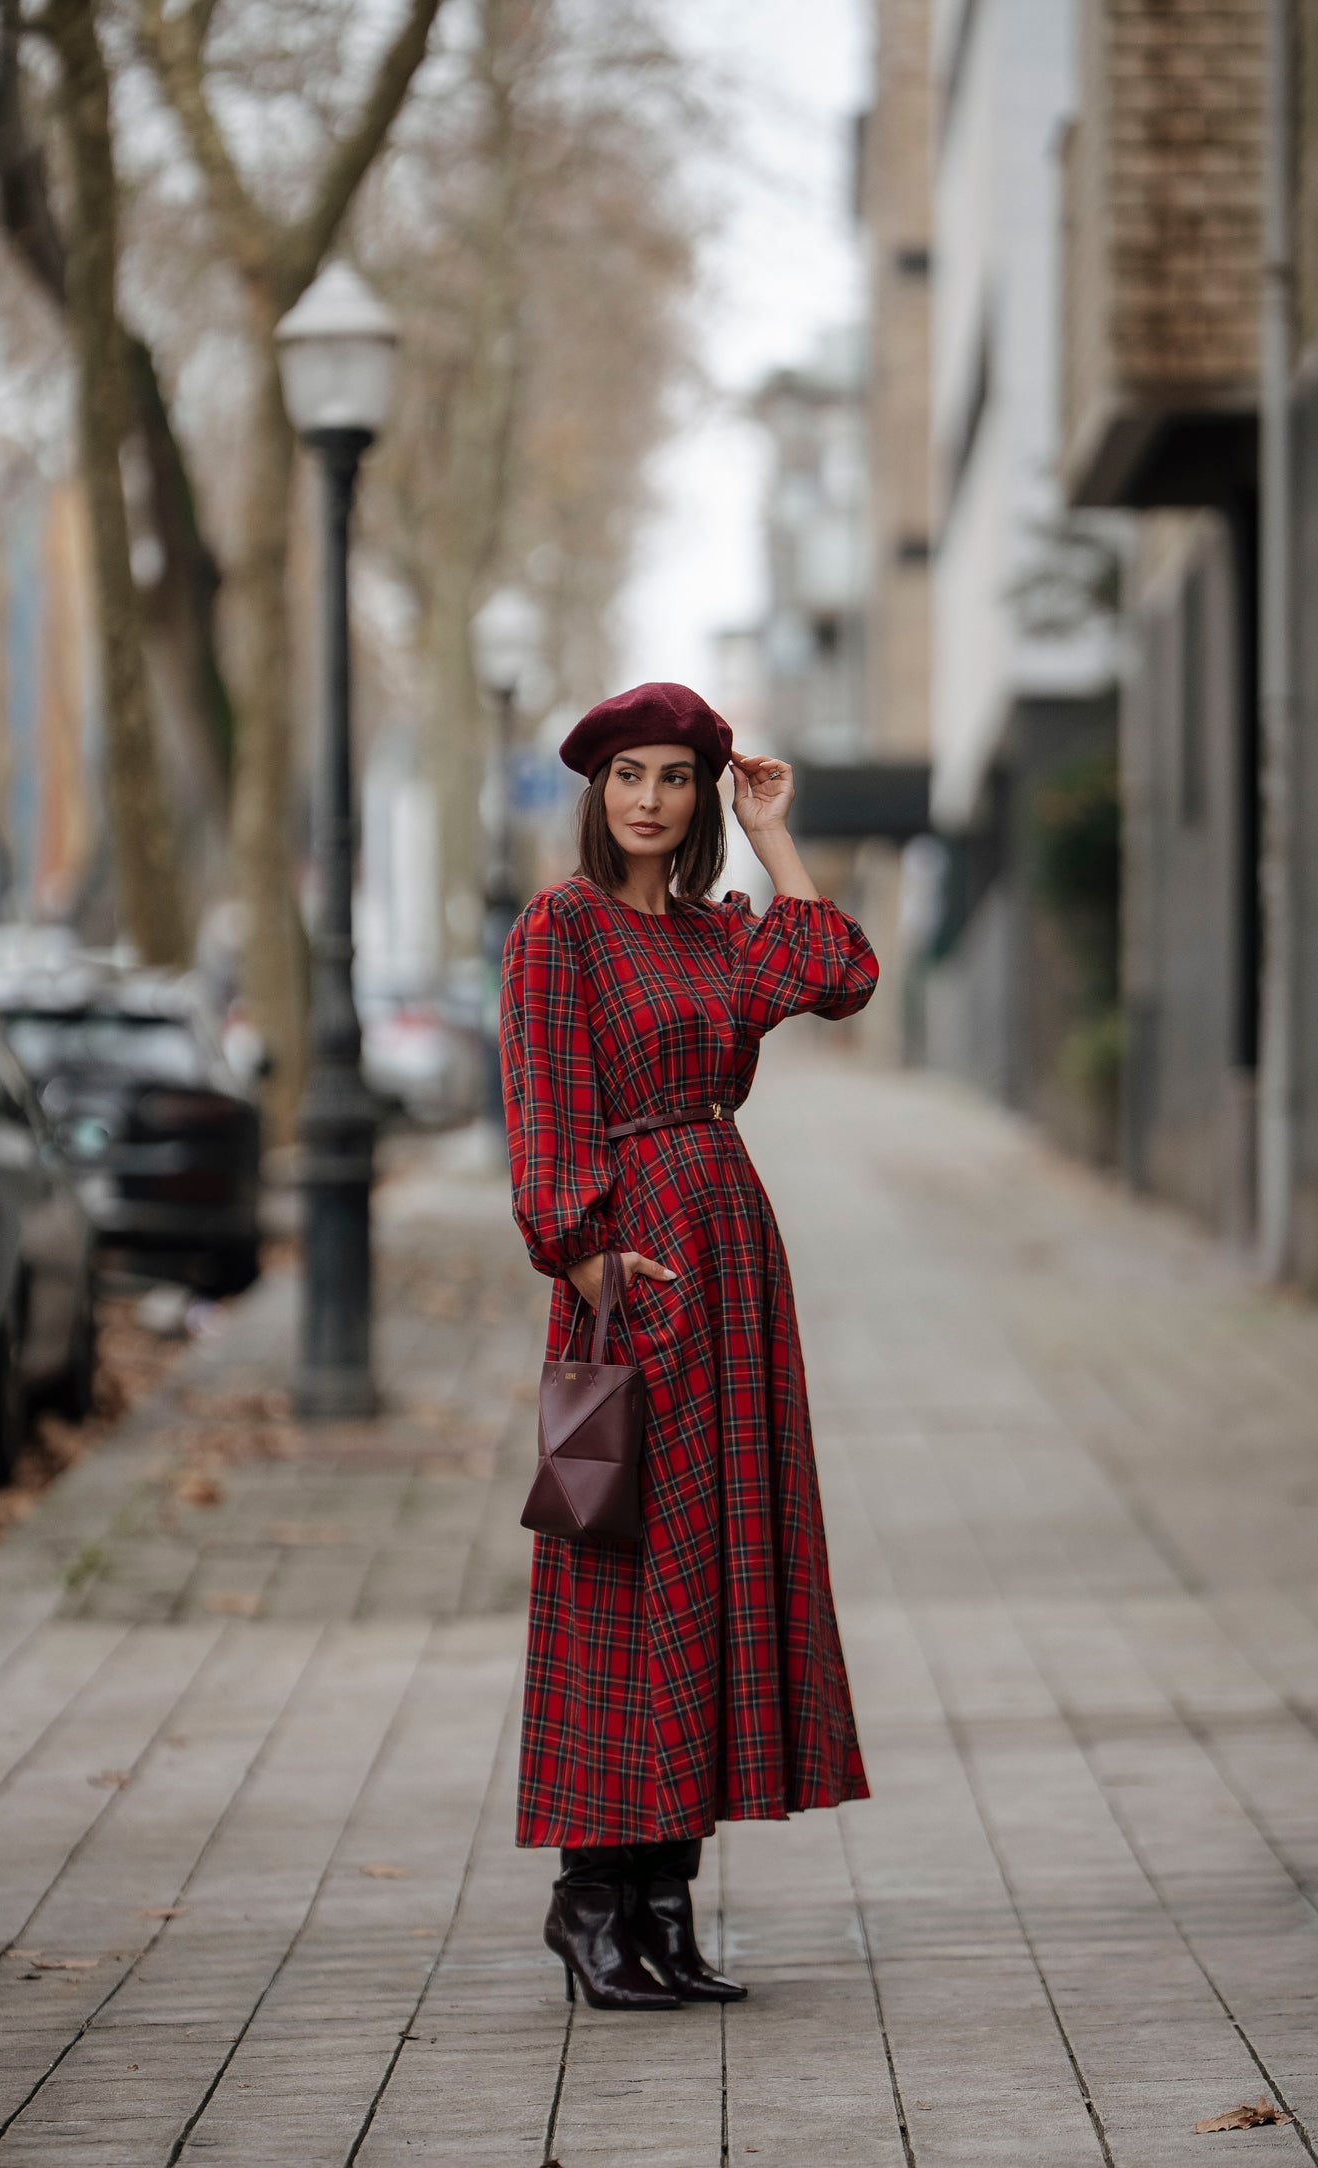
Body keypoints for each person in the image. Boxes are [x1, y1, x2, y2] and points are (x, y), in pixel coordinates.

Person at [498, 680, 877, 2012]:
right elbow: (541, 1103)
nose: (649, 800)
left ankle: (667, 1900)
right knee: (626, 1576)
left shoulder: (722, 938)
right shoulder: (564, 927)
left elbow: (838, 975)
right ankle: (590, 1902)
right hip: (636, 1273)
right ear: (594, 793)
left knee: (715, 1577)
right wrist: (584, 1250)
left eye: (674, 777)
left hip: (731, 1271)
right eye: (625, 776)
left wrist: (773, 835)